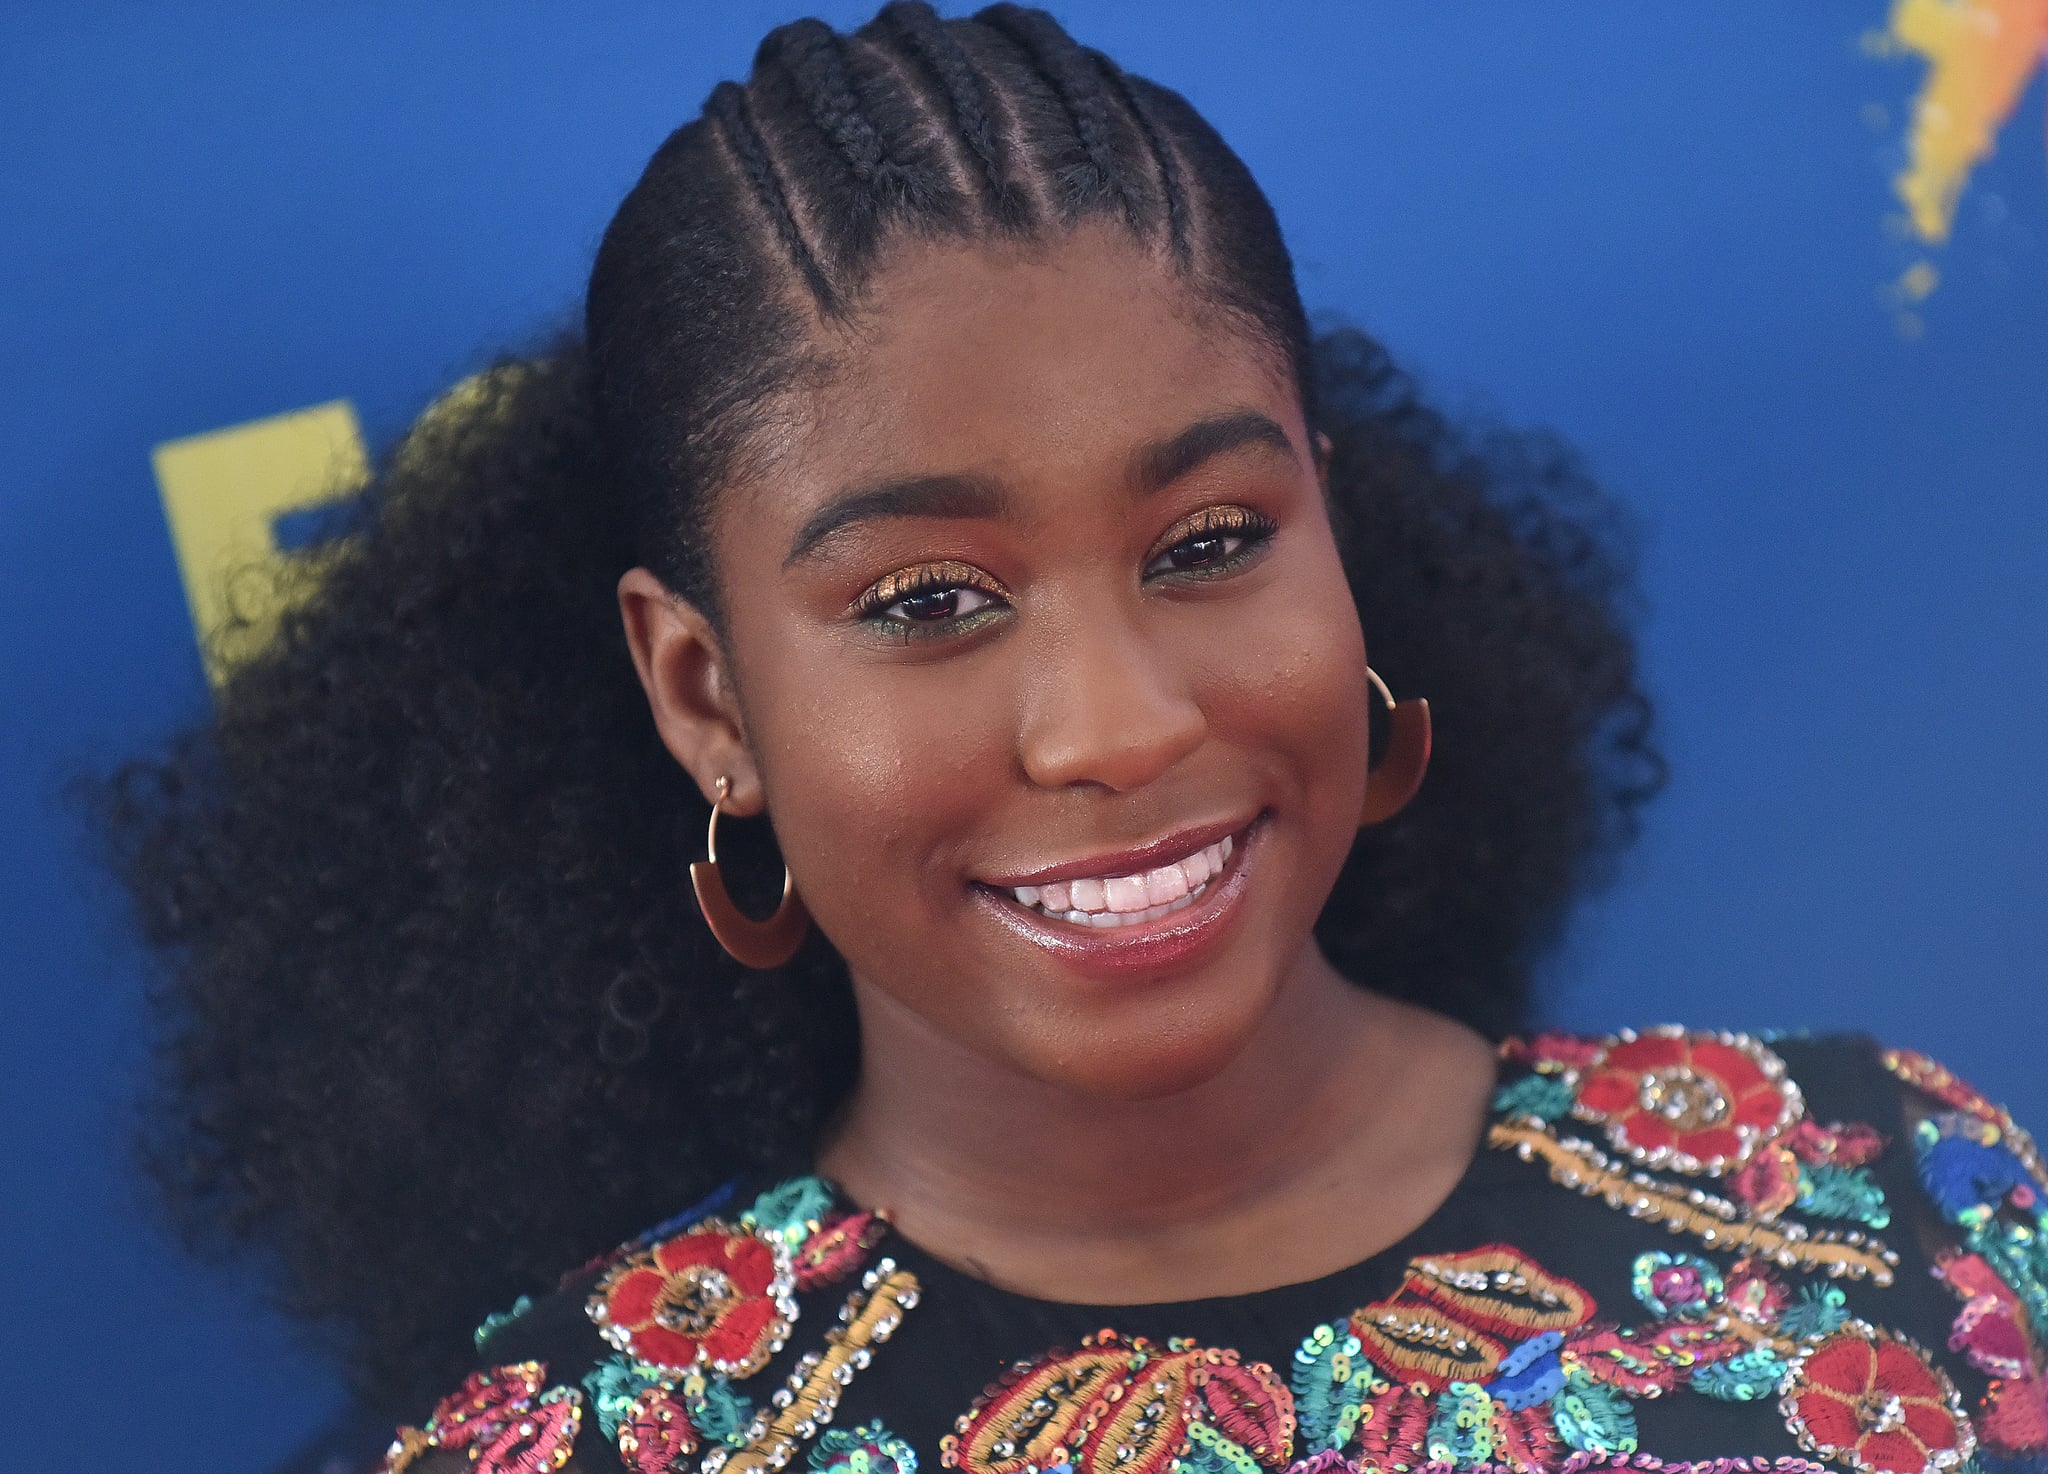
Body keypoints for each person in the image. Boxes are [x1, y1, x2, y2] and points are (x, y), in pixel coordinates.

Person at [95, 6, 2047, 1474]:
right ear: (709, 698)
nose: (1116, 725)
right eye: (927, 598)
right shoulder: (595, 1432)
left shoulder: (1885, 1191)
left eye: (1208, 544)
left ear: (1334, 530)